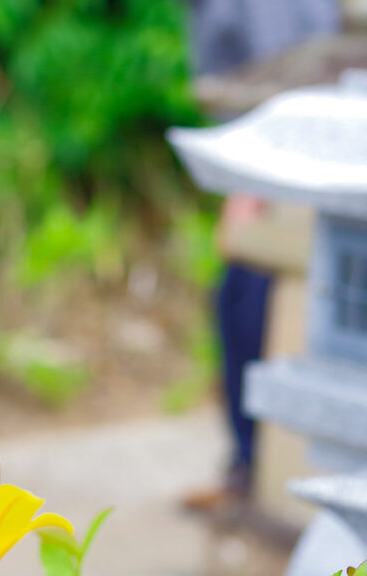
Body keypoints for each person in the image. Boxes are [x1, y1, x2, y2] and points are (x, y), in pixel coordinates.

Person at [183, 0, 339, 510]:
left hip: (290, 159)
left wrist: (250, 190)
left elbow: (293, 68)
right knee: (242, 305)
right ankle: (248, 464)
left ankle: (253, 469)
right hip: (274, 152)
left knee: (248, 306)